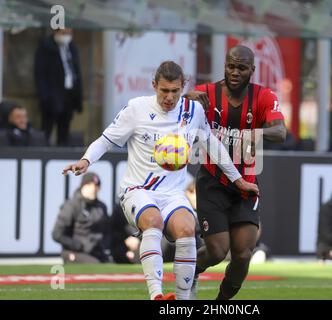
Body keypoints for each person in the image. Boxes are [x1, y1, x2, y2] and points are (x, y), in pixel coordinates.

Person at [62, 61, 259, 300]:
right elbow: (105, 140)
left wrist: (238, 180)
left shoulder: (192, 111)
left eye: (175, 91)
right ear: (154, 85)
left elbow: (213, 146)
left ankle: (182, 300)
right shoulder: (136, 109)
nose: (169, 97)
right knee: (152, 220)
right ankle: (156, 295)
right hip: (137, 189)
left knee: (187, 228)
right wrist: (86, 160)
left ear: (182, 87)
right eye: (164, 91)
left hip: (173, 193)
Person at [184, 45, 286, 300]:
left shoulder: (263, 97)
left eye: (241, 68)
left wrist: (257, 132)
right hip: (212, 181)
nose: (235, 72)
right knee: (218, 252)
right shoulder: (207, 93)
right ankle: (191, 270)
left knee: (242, 254)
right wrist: (188, 98)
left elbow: (281, 131)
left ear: (252, 70)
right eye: (231, 66)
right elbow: (175, 104)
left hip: (246, 185)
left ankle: (220, 304)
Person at [34, 28, 83, 146]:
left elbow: (77, 72)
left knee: (64, 128)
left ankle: (62, 150)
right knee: (47, 128)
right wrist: (45, 97)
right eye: (63, 33)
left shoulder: (71, 48)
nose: (67, 36)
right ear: (55, 32)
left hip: (69, 95)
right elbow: (40, 75)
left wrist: (78, 98)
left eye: (69, 33)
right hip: (52, 96)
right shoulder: (45, 48)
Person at [52, 172, 111, 263]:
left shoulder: (101, 207)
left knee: (111, 268)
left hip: (96, 251)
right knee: (96, 265)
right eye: (89, 185)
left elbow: (108, 231)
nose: (93, 189)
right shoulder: (71, 205)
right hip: (75, 251)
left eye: (96, 186)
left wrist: (102, 244)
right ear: (82, 186)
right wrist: (78, 245)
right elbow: (57, 234)